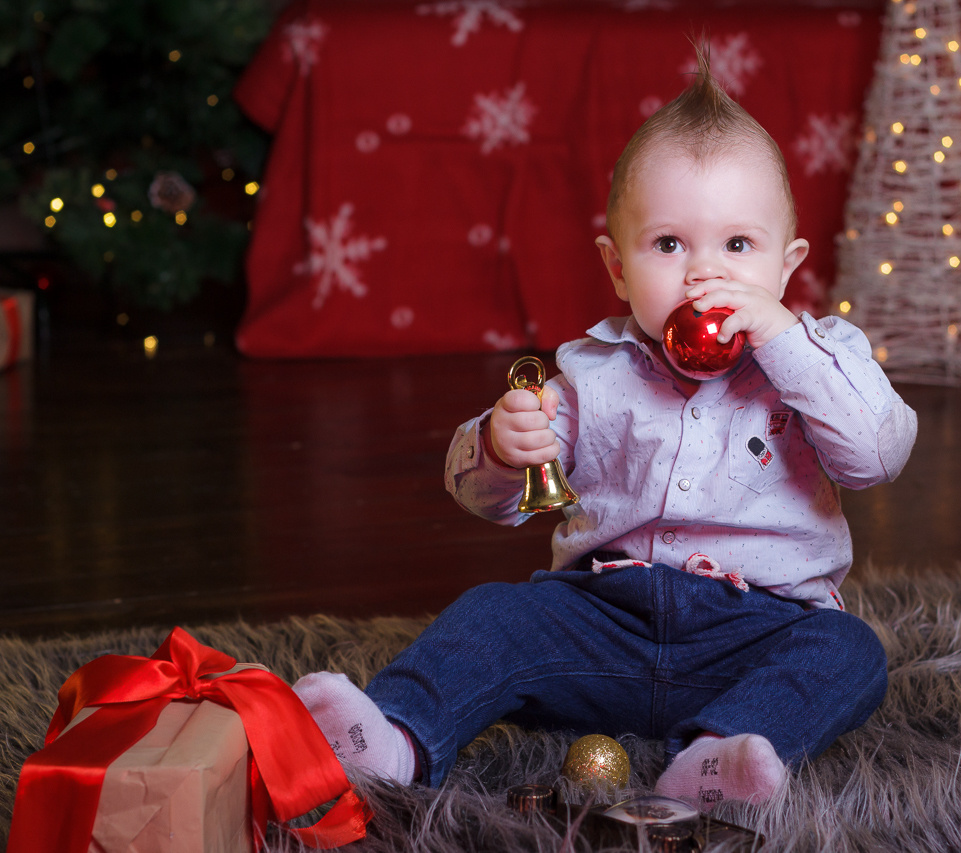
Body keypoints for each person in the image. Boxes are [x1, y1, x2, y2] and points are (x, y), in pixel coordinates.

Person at [295, 50, 917, 809]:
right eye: (668, 244)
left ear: (786, 268)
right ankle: (394, 736)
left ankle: (719, 755)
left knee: (851, 652)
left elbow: (876, 454)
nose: (704, 274)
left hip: (758, 632)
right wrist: (501, 448)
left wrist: (783, 338)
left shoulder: (820, 358)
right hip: (602, 624)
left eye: (738, 246)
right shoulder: (591, 373)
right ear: (618, 268)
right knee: (494, 613)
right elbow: (490, 501)